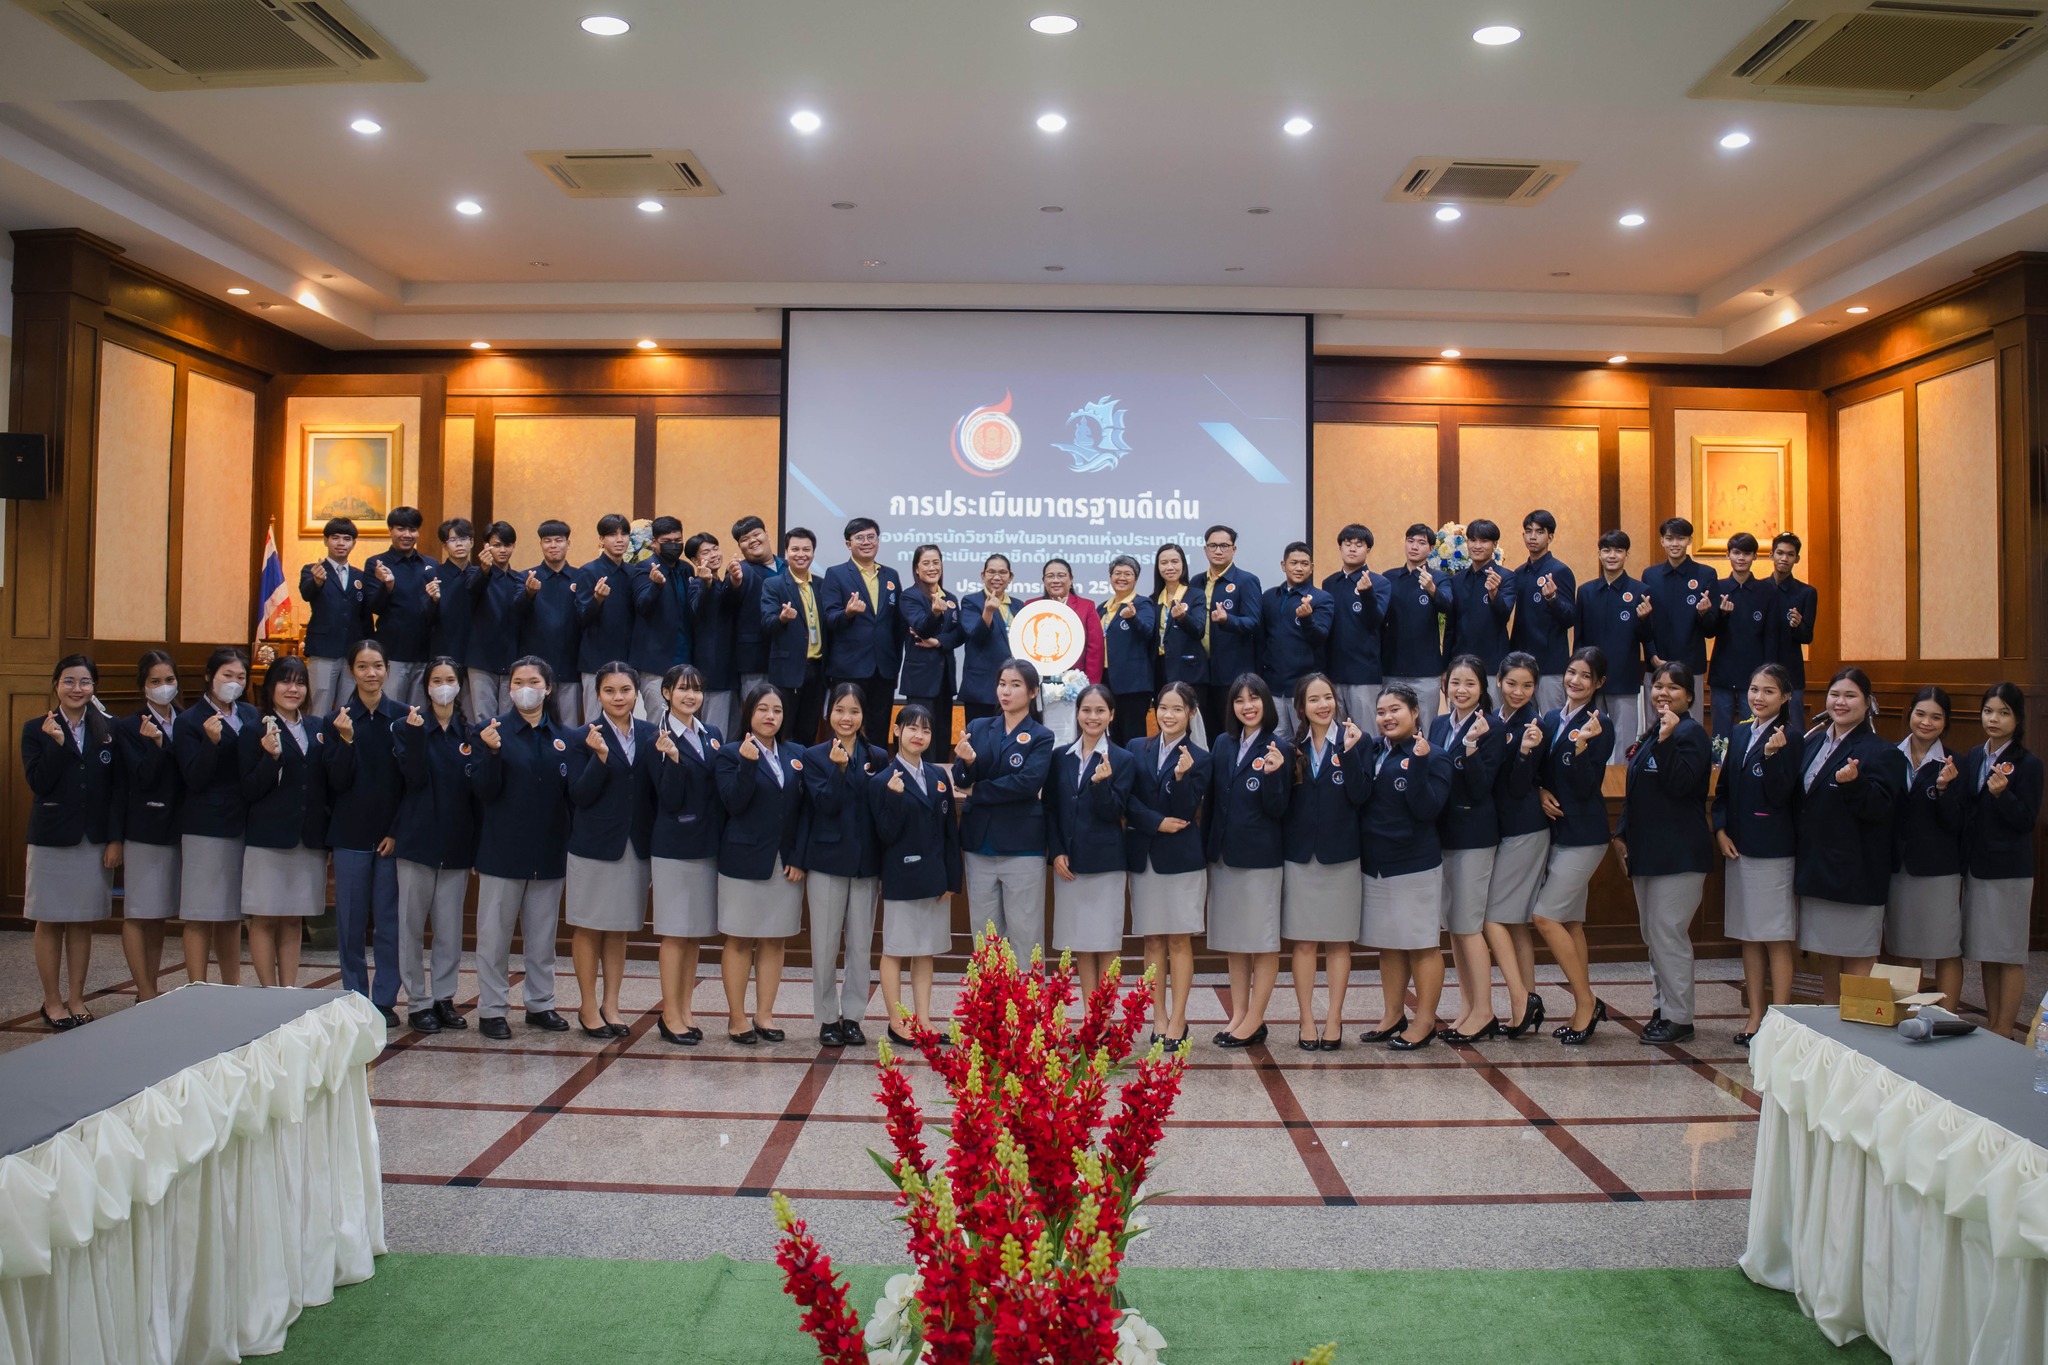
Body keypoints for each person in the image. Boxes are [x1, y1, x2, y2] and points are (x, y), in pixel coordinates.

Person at [469, 656, 574, 1040]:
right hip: (502, 852)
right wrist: (491, 753)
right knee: (494, 938)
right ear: (508, 688)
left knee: (542, 939)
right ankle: (493, 1008)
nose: (525, 687)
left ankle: (540, 1003)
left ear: (548, 688)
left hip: (548, 852)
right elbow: (482, 791)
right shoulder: (489, 732)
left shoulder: (564, 737)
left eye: (533, 681)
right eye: (517, 681)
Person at [1613, 662, 1712, 1045]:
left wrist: (1669, 741)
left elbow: (1683, 787)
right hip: (1647, 852)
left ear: (1690, 695)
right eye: (1658, 687)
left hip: (1679, 855)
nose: (1663, 693)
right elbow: (1637, 791)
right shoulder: (1656, 733)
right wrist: (1621, 834)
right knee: (1653, 935)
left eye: (1673, 687)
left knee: (1669, 934)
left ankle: (1679, 1018)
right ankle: (1663, 1007)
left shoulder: (1688, 733)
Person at [1795, 667, 1903, 1004]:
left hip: (1856, 873)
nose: (1840, 702)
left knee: (1857, 956)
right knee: (1828, 954)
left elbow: (1882, 810)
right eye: (1835, 694)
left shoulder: (1882, 752)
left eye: (1850, 695)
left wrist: (1854, 785)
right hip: (1818, 868)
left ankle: (1857, 1034)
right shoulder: (1812, 741)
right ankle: (1831, 1027)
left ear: (1868, 702)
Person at [21, 655, 117, 1028]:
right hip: (51, 837)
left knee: (82, 922)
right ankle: (52, 1001)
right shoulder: (35, 729)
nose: (77, 689)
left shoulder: (108, 728)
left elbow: (115, 790)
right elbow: (39, 783)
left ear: (94, 687)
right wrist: (58, 745)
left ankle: (77, 998)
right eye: (69, 682)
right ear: (56, 685)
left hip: (92, 839)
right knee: (50, 920)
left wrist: (114, 838)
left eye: (85, 682)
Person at [1356, 684, 1453, 1050]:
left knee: (1422, 945)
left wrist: (1420, 763)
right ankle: (1392, 1014)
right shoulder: (1374, 751)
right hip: (1376, 864)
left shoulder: (1436, 756)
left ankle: (1425, 1021)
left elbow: (1426, 809)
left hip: (1414, 865)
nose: (1387, 717)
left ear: (1415, 712)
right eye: (1381, 712)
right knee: (1390, 945)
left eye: (1395, 710)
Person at [564, 662, 655, 1038]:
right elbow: (579, 795)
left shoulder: (651, 734)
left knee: (618, 930)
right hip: (593, 846)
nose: (618, 698)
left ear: (637, 693)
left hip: (635, 844)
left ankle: (612, 1004)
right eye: (610, 691)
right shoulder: (581, 736)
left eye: (625, 690)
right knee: (588, 927)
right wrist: (599, 758)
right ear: (597, 694)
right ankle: (587, 1005)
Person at [1529, 646, 1615, 1044]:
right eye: (1571, 672)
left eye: (1585, 676)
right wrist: (1542, 788)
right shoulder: (1550, 718)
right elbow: (1542, 771)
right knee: (1570, 922)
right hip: (1558, 834)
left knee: (1545, 918)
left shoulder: (1601, 724)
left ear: (1599, 683)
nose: (1575, 681)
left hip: (1585, 835)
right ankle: (1588, 1001)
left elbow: (1584, 786)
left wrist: (1581, 747)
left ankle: (1585, 1002)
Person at [713, 683, 807, 1044]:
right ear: (749, 713)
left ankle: (764, 1014)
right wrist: (748, 766)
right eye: (763, 709)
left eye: (777, 710)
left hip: (785, 864)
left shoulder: (795, 754)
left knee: (774, 940)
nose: (770, 716)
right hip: (743, 860)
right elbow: (733, 804)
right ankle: (737, 1017)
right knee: (739, 939)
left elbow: (803, 813)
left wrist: (798, 856)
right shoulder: (730, 754)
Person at [1714, 664, 1802, 1045]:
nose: (1758, 697)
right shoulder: (1738, 731)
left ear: (1785, 698)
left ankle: (1780, 1021)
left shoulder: (1791, 738)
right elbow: (1724, 790)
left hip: (1773, 850)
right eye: (1754, 689)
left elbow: (1784, 795)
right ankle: (1755, 1014)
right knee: (1748, 935)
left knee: (1775, 936)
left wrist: (1771, 757)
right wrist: (1719, 830)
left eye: (1768, 691)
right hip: (1738, 847)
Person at [322, 639, 409, 1023]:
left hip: (390, 838)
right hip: (350, 835)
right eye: (362, 666)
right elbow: (335, 782)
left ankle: (386, 1000)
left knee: (390, 922)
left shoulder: (404, 718)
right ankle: (355, 996)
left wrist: (397, 830)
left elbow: (412, 783)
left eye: (377, 665)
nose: (371, 673)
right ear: (351, 670)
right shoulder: (338, 719)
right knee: (351, 924)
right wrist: (345, 741)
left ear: (387, 670)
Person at [798, 684, 889, 1047]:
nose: (846, 718)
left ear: (863, 715)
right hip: (826, 861)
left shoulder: (878, 756)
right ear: (828, 713)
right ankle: (826, 1018)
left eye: (853, 711)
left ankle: (852, 1016)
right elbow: (823, 806)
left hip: (866, 863)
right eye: (839, 710)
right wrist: (838, 771)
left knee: (860, 945)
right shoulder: (814, 755)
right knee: (824, 945)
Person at [1281, 673, 1367, 1050]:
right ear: (1301, 707)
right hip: (1300, 856)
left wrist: (1349, 754)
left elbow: (1361, 795)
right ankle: (1306, 1020)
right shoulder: (1290, 747)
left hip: (1341, 855)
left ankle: (1334, 1018)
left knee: (1337, 943)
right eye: (1313, 699)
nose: (1322, 705)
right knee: (1303, 944)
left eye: (1328, 697)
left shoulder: (1355, 741)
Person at [391, 657, 477, 1033]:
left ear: (460, 685)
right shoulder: (407, 727)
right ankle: (418, 1001)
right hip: (416, 839)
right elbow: (411, 779)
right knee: (410, 925)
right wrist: (414, 737)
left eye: (450, 679)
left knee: (449, 927)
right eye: (437, 680)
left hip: (456, 843)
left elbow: (476, 795)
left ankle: (444, 997)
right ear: (426, 686)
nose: (444, 685)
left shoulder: (470, 734)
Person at [1206, 673, 1291, 1048]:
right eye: (1239, 700)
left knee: (1262, 941)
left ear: (1266, 703)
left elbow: (1279, 809)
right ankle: (1239, 1014)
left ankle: (1256, 1018)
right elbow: (1212, 803)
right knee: (1235, 941)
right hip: (1224, 857)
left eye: (1254, 698)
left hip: (1260, 859)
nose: (1247, 706)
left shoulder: (1278, 747)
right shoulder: (1223, 743)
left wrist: (1273, 776)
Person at [869, 703, 962, 1044]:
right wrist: (893, 798)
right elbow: (884, 835)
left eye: (925, 730)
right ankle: (897, 1021)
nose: (918, 735)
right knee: (895, 949)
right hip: (901, 876)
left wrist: (952, 879)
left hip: (935, 879)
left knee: (926, 951)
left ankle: (923, 1019)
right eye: (912, 728)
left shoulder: (938, 776)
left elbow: (949, 832)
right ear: (897, 731)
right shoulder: (882, 781)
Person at [955, 660, 1056, 965]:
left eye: (1015, 685)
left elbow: (1025, 784)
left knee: (1026, 934)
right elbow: (961, 780)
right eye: (1002, 684)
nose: (1006, 691)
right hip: (979, 845)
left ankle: (1027, 1009)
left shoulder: (1041, 736)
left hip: (1022, 846)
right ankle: (990, 1009)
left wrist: (977, 791)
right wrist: (968, 764)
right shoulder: (978, 727)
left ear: (1032, 692)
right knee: (985, 938)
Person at [1125, 681, 1208, 1045]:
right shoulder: (1135, 748)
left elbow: (1186, 812)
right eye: (1163, 707)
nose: (1168, 715)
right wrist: (1153, 821)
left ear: (1191, 713)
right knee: (1152, 940)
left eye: (1177, 709)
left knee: (1179, 940)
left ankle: (1178, 1017)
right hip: (1145, 856)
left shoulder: (1201, 757)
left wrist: (1180, 778)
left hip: (1182, 861)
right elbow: (1125, 799)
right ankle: (1157, 1015)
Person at [1959, 682, 2042, 1038]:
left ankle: (2005, 1027)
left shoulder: (2029, 764)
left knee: (2008, 952)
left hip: (2010, 871)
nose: (1994, 719)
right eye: (1989, 711)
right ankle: (1993, 1025)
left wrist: (2003, 796)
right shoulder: (1976, 755)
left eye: (2003, 712)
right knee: (1985, 951)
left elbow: (2027, 820)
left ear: (2017, 718)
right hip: (1978, 867)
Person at [238, 655, 327, 988]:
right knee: (263, 917)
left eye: (300, 682)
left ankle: (288, 989)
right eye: (286, 681)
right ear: (270, 687)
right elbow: (249, 788)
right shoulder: (254, 729)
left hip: (307, 837)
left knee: (293, 918)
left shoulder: (317, 728)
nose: (294, 689)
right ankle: (268, 989)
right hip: (269, 837)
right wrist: (270, 758)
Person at [1433, 656, 1508, 1041]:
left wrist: (1472, 746)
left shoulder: (1490, 728)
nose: (1461, 690)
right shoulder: (1438, 723)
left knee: (1468, 925)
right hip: (1443, 834)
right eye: (1455, 682)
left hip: (1475, 835)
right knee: (1455, 928)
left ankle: (1485, 1011)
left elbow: (1480, 788)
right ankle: (1467, 1008)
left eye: (1470, 684)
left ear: (1482, 688)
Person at [647, 664, 723, 1046]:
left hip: (706, 846)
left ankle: (686, 1009)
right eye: (682, 689)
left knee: (694, 936)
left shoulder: (713, 736)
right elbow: (668, 799)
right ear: (666, 693)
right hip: (673, 848)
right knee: (675, 934)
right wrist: (673, 762)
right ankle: (669, 1014)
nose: (690, 696)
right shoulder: (656, 737)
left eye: (696, 690)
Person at [174, 647, 257, 986]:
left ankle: (231, 985)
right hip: (205, 826)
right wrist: (211, 742)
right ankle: (197, 986)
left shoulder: (251, 715)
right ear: (209, 676)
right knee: (199, 913)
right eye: (227, 675)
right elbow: (193, 778)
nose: (234, 683)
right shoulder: (189, 720)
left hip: (244, 822)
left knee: (229, 914)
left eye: (240, 677)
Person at [1046, 683, 1133, 1000]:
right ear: (1077, 712)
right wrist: (1056, 851)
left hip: (1106, 865)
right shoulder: (1060, 757)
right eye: (1086, 710)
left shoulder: (1123, 759)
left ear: (1111, 715)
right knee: (1081, 944)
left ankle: (1105, 1021)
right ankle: (1090, 1022)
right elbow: (1051, 809)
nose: (1092, 716)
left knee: (1107, 943)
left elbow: (1115, 813)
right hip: (1070, 866)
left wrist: (1100, 784)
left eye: (1100, 710)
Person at [1882, 686, 1964, 1010]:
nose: (1926, 722)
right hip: (1898, 867)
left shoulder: (1956, 763)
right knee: (1904, 945)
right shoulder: (1889, 756)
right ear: (1909, 713)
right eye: (1920, 713)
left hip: (1939, 869)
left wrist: (1945, 790)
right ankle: (1907, 1013)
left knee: (1945, 948)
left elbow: (1958, 823)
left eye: (1935, 717)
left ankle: (1948, 1016)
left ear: (1946, 722)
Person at [1484, 653, 1546, 1037]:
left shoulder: (1532, 724)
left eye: (1527, 685)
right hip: (1506, 828)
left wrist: (1525, 753)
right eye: (1512, 683)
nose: (1519, 692)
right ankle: (1529, 1001)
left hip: (1525, 831)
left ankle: (1522, 1002)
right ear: (1499, 682)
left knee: (1492, 917)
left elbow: (1521, 784)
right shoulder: (1495, 719)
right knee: (1515, 923)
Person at [115, 650, 182, 1001]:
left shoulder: (186, 720)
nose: (163, 687)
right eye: (155, 681)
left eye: (169, 680)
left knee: (159, 914)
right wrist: (156, 746)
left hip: (177, 827)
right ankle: (143, 990)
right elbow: (139, 778)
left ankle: (151, 986)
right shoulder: (128, 726)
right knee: (140, 911)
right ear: (144, 686)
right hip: (143, 827)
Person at [821, 516, 904, 746]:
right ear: (848, 543)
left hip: (883, 668)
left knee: (878, 729)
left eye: (871, 537)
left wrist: (895, 663)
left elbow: (896, 626)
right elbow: (828, 619)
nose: (866, 542)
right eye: (859, 538)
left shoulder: (891, 576)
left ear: (878, 540)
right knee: (845, 727)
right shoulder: (836, 574)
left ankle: (875, 774)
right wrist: (847, 613)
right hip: (849, 667)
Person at [1572, 529, 1652, 752]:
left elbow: (1647, 638)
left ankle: (1619, 786)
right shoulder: (1586, 591)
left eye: (1619, 551)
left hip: (1624, 677)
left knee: (1624, 740)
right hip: (1591, 680)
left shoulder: (1640, 591)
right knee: (1589, 739)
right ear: (1599, 554)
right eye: (1606, 550)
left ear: (1627, 555)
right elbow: (1579, 639)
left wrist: (1645, 620)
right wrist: (1578, 674)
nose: (1612, 556)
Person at [1188, 526, 1263, 740]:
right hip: (1201, 673)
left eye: (1224, 546)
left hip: (1232, 672)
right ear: (1205, 550)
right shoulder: (1196, 582)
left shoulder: (1246, 581)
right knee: (1205, 734)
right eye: (1213, 546)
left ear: (1234, 549)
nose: (1218, 551)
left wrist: (1227, 620)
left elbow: (1253, 622)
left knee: (1232, 734)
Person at [1640, 519, 1715, 722]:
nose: (1675, 544)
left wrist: (1704, 613)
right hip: (1657, 663)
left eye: (1681, 538)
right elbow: (1646, 623)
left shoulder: (1706, 574)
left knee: (1693, 722)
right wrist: (1652, 655)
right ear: (1662, 541)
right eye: (1669, 538)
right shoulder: (1650, 575)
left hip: (1692, 664)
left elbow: (1711, 629)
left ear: (1689, 540)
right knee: (1654, 724)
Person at [365, 505, 440, 707]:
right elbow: (374, 606)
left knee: (419, 714)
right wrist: (387, 585)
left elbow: (435, 612)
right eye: (401, 529)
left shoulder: (431, 564)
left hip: (424, 653)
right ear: (390, 530)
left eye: (413, 529)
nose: (407, 535)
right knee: (391, 710)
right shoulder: (376, 563)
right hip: (392, 653)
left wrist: (435, 600)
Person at [760, 527, 829, 744]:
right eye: (795, 549)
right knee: (784, 731)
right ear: (786, 552)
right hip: (788, 671)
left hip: (817, 669)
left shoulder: (821, 584)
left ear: (813, 553)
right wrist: (782, 618)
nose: (801, 554)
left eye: (806, 549)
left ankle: (805, 775)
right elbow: (767, 623)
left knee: (808, 731)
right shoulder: (774, 585)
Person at [514, 520, 584, 726]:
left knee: (568, 726)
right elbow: (517, 610)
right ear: (541, 545)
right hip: (536, 668)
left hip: (570, 665)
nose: (553, 545)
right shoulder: (526, 577)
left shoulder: (581, 577)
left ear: (568, 544)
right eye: (547, 541)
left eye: (558, 540)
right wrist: (529, 593)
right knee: (533, 724)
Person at [1260, 543, 1332, 742]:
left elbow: (1320, 636)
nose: (1299, 568)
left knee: (1306, 739)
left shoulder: (1321, 598)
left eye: (1304, 564)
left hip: (1304, 685)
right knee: (1277, 741)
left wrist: (1307, 620)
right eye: (1293, 563)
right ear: (1284, 565)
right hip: (1274, 685)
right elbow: (1262, 638)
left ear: (1312, 567)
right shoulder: (1269, 597)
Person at [1380, 524, 1450, 728]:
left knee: (1426, 726)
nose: (1414, 547)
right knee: (1391, 725)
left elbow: (1448, 606)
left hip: (1426, 671)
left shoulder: (1439, 578)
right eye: (1410, 541)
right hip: (1392, 667)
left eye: (1421, 543)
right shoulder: (1389, 577)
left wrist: (1432, 589)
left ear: (1430, 549)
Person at [898, 544, 963, 762]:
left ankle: (940, 782)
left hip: (945, 680)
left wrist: (938, 642)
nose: (932, 567)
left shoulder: (951, 598)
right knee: (919, 736)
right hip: (920, 680)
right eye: (926, 563)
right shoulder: (910, 596)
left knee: (942, 735)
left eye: (936, 562)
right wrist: (934, 614)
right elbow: (920, 628)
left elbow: (959, 635)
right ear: (917, 569)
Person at [1321, 524, 1390, 729]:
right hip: (1333, 674)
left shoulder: (1379, 583)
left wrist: (1367, 593)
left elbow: (1374, 622)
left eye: (1359, 545)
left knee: (1367, 735)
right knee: (1336, 736)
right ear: (1340, 547)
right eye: (1347, 544)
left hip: (1364, 675)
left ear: (1368, 550)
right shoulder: (1329, 583)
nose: (1352, 549)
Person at [629, 517, 698, 721]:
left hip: (685, 658)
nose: (674, 546)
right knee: (658, 722)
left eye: (678, 540)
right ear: (654, 543)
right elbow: (642, 606)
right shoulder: (644, 568)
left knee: (683, 720)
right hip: (656, 662)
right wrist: (655, 586)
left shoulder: (686, 569)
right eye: (668, 541)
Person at [1706, 532, 1773, 740]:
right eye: (1736, 553)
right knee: (1720, 734)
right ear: (1728, 555)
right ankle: (1718, 770)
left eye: (1746, 553)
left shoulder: (1766, 590)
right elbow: (1709, 632)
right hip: (1722, 671)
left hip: (1755, 675)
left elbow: (1771, 635)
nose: (1741, 558)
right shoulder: (1717, 587)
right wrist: (1722, 615)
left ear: (1755, 556)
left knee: (1752, 731)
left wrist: (1769, 673)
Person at [299, 517, 368, 715]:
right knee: (319, 704)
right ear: (325, 540)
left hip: (352, 652)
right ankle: (318, 743)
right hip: (323, 650)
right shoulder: (312, 569)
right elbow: (306, 594)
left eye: (346, 539)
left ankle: (341, 745)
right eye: (335, 538)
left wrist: (366, 648)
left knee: (346, 707)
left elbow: (364, 616)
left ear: (354, 543)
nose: (340, 543)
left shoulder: (360, 576)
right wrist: (316, 582)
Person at [1511, 510, 1576, 715]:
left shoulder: (1560, 571)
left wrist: (1552, 599)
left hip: (1550, 665)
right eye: (1528, 531)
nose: (1532, 537)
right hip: (1521, 663)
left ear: (1550, 537)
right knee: (1523, 723)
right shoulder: (1519, 573)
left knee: (1552, 721)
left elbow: (1569, 618)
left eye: (1539, 532)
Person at [576, 514, 639, 723]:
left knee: (627, 721)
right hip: (595, 659)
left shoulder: (634, 573)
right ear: (601, 540)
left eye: (624, 534)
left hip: (627, 660)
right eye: (612, 535)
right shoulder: (588, 571)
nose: (619, 539)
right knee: (594, 723)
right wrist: (597, 599)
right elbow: (582, 618)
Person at [686, 532, 743, 737]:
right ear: (694, 560)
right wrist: (705, 583)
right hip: (713, 671)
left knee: (734, 729)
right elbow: (695, 611)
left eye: (715, 548)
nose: (714, 554)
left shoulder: (722, 581)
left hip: (731, 668)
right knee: (714, 732)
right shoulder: (697, 583)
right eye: (706, 552)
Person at [467, 522, 523, 721]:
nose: (502, 550)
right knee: (483, 717)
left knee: (509, 719)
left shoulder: (519, 579)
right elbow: (472, 591)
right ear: (486, 546)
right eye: (496, 545)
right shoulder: (474, 574)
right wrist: (484, 570)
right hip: (481, 658)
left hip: (511, 658)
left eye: (507, 545)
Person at [1446, 519, 1517, 676]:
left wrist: (1494, 593)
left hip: (1493, 665)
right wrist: (1446, 667)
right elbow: (1450, 627)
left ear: (1495, 545)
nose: (1477, 546)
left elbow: (1504, 615)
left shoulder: (1506, 577)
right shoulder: (1457, 580)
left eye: (1484, 541)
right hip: (1460, 664)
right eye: (1472, 540)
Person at [1099, 555, 1158, 745]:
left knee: (1133, 738)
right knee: (1112, 737)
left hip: (1133, 685)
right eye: (1117, 573)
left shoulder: (1142, 604)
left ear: (1136, 578)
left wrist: (1133, 618)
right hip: (1106, 681)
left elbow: (1148, 632)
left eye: (1128, 574)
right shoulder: (1102, 608)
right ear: (1110, 576)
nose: (1122, 577)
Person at [730, 514, 786, 705]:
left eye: (756, 534)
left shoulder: (789, 567)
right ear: (740, 547)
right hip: (755, 660)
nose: (752, 541)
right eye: (744, 540)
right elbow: (729, 600)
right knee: (756, 713)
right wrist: (734, 582)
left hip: (788, 657)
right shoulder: (741, 570)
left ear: (767, 534)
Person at [959, 554, 1018, 729]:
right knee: (978, 742)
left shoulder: (1019, 606)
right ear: (983, 575)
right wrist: (988, 612)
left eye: (1002, 572)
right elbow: (976, 635)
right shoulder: (971, 601)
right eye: (991, 572)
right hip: (982, 689)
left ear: (1010, 577)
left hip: (1014, 689)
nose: (997, 577)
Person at [1766, 533, 1817, 732]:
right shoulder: (1759, 588)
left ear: (1797, 558)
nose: (1784, 558)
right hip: (1762, 667)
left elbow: (1807, 637)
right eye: (1779, 553)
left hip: (1791, 671)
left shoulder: (1806, 592)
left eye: (1790, 554)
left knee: (1794, 726)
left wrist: (1798, 625)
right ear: (1771, 555)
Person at [1153, 543, 1207, 717]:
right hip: (1160, 670)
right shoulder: (1153, 599)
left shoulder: (1195, 595)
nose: (1169, 567)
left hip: (1189, 671)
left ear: (1183, 565)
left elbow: (1198, 629)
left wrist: (1183, 617)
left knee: (1192, 723)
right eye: (1164, 563)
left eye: (1175, 562)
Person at [1034, 558, 1105, 685]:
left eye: (1061, 576)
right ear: (1044, 581)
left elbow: (1095, 649)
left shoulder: (1087, 606)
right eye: (1050, 576)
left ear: (1071, 579)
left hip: (1075, 683)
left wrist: (1090, 685)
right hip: (1038, 682)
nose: (1056, 580)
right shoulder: (1031, 606)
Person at [430, 517, 481, 672]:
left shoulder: (482, 575)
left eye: (464, 539)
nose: (459, 544)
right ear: (445, 545)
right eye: (453, 540)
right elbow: (424, 616)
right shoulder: (432, 575)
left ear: (472, 542)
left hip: (476, 652)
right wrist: (433, 600)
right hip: (443, 650)